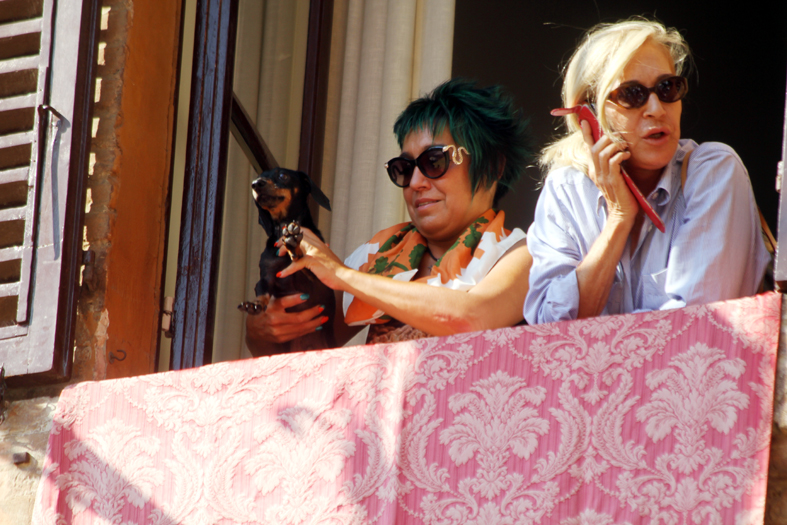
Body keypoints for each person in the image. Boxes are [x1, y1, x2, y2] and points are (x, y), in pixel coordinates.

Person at [246, 78, 534, 353]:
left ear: (493, 166)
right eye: (404, 169)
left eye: (434, 161)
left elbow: (472, 318)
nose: (415, 183)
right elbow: (308, 346)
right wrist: (261, 332)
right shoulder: (380, 253)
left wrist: (341, 275)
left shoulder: (523, 254)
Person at [524, 19, 770, 325]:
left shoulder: (714, 171)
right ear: (588, 114)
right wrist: (619, 218)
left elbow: (694, 324)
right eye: (632, 94)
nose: (656, 108)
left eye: (667, 88)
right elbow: (547, 329)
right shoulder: (566, 190)